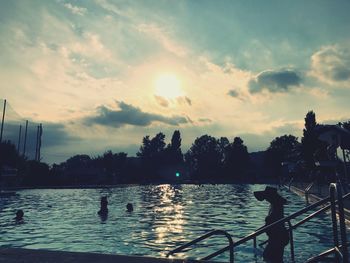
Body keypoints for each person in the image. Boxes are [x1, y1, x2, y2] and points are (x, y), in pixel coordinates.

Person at [254, 186, 289, 263]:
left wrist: (262, 229)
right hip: (276, 236)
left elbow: (273, 221)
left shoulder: (277, 206)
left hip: (278, 237)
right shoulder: (274, 205)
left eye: (266, 196)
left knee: (269, 257)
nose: (265, 199)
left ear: (271, 196)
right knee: (273, 258)